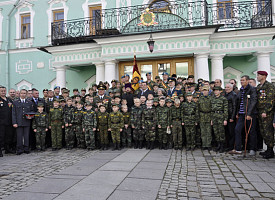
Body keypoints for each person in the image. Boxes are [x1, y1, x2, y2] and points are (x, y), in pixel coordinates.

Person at [229, 75, 257, 156]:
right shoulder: (241, 90)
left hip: (250, 114)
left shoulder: (252, 89)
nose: (241, 82)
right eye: (241, 80)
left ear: (247, 81)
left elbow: (253, 102)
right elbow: (239, 102)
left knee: (251, 131)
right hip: (241, 114)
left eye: (243, 80)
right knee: (237, 129)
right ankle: (238, 149)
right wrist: (237, 113)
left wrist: (249, 114)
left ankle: (252, 149)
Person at [256, 71, 275, 159]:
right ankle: (267, 149)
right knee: (263, 131)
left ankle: (271, 150)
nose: (257, 77)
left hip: (267, 113)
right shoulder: (259, 86)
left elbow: (270, 100)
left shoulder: (269, 86)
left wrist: (266, 111)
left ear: (264, 76)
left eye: (259, 75)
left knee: (268, 131)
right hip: (260, 112)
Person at [12, 89, 34, 155]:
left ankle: (26, 148)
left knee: (26, 136)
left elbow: (32, 112)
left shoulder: (29, 102)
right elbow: (13, 113)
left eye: (24, 93)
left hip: (27, 121)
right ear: (19, 94)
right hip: (18, 122)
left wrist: (31, 116)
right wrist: (14, 122)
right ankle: (19, 149)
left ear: (26, 94)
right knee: (19, 136)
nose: (23, 94)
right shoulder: (15, 102)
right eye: (22, 93)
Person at [211, 86, 228, 153]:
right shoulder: (212, 99)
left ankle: (222, 146)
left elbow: (226, 110)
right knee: (216, 131)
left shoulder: (223, 99)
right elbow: (212, 109)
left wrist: (225, 119)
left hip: (221, 116)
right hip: (214, 116)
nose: (216, 92)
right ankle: (218, 145)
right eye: (215, 90)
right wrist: (212, 119)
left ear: (220, 91)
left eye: (217, 90)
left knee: (221, 132)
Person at [0, 86, 14, 157]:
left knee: (8, 136)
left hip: (9, 122)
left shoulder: (9, 100)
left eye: (4, 91)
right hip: (1, 122)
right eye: (2, 91)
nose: (3, 92)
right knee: (1, 137)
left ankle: (7, 149)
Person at [198, 86, 212, 150]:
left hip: (208, 115)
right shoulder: (200, 99)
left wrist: (212, 118)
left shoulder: (211, 98)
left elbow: (212, 109)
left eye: (206, 90)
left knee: (208, 131)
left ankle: (208, 144)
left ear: (208, 91)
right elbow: (197, 109)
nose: (205, 92)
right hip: (202, 116)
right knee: (203, 131)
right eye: (203, 90)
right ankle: (204, 144)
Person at [224, 83, 237, 151]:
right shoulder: (226, 95)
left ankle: (231, 146)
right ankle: (227, 145)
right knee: (227, 132)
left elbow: (234, 107)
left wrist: (232, 117)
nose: (226, 88)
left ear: (231, 88)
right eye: (225, 87)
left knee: (231, 132)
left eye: (228, 87)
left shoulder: (233, 95)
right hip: (226, 115)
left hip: (231, 116)